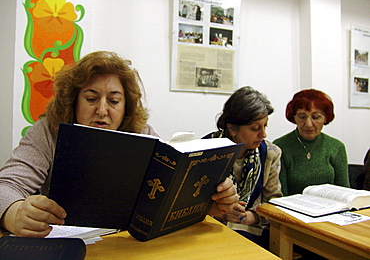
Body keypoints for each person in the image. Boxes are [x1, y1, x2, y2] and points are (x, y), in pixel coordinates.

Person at [0, 51, 238, 238]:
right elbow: (6, 186)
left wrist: (206, 204)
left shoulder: (142, 135)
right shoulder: (48, 131)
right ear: (73, 101)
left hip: (126, 246)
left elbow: (165, 193)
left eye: (113, 101)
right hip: (66, 244)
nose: (102, 110)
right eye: (91, 98)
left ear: (126, 107)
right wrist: (14, 213)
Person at [203, 86, 283, 249]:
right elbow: (190, 203)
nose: (263, 134)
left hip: (251, 230)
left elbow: (274, 203)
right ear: (232, 128)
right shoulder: (204, 151)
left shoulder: (270, 154)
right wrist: (220, 212)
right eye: (255, 128)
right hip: (210, 228)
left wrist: (251, 216)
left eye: (265, 126)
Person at [273, 89, 349, 196]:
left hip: (330, 209)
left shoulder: (336, 147)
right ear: (294, 117)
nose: (308, 124)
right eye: (302, 117)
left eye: (316, 117)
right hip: (292, 209)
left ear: (326, 118)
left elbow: (344, 193)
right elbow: (280, 196)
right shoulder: (280, 146)